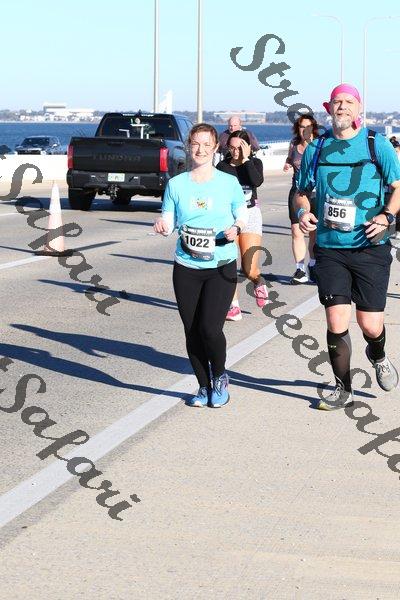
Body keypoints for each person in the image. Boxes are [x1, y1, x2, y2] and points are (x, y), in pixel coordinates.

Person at [296, 83, 400, 411]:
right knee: (336, 320)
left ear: (359, 108)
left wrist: (386, 216)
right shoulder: (317, 148)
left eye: (348, 101)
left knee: (370, 324)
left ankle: (378, 355)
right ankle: (343, 389)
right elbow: (302, 192)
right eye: (336, 102)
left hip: (370, 246)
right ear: (328, 109)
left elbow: (398, 187)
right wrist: (303, 212)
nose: (342, 106)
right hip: (330, 248)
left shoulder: (375, 144)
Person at [154, 123, 247, 408]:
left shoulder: (228, 182)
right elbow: (169, 219)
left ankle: (219, 378)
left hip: (221, 264)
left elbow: (241, 213)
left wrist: (236, 227)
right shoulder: (176, 184)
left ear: (216, 147)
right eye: (195, 143)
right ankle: (203, 386)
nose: (201, 149)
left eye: (207, 144)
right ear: (188, 145)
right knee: (192, 330)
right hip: (186, 265)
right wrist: (162, 225)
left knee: (210, 329)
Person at [216, 129, 268, 321]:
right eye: (232, 147)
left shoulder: (255, 163)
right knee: (228, 264)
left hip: (250, 215)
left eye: (239, 147)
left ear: (247, 147)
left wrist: (246, 160)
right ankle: (234, 306)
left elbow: (256, 181)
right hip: (229, 218)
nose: (235, 151)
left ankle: (258, 281)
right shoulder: (222, 166)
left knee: (249, 269)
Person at [284, 114, 319, 284]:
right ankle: (300, 270)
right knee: (296, 230)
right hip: (297, 192)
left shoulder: (320, 145)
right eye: (301, 126)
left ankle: (313, 265)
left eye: (308, 126)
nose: (304, 129)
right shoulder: (294, 144)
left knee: (313, 233)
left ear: (314, 128)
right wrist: (288, 163)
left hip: (316, 193)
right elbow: (290, 158)